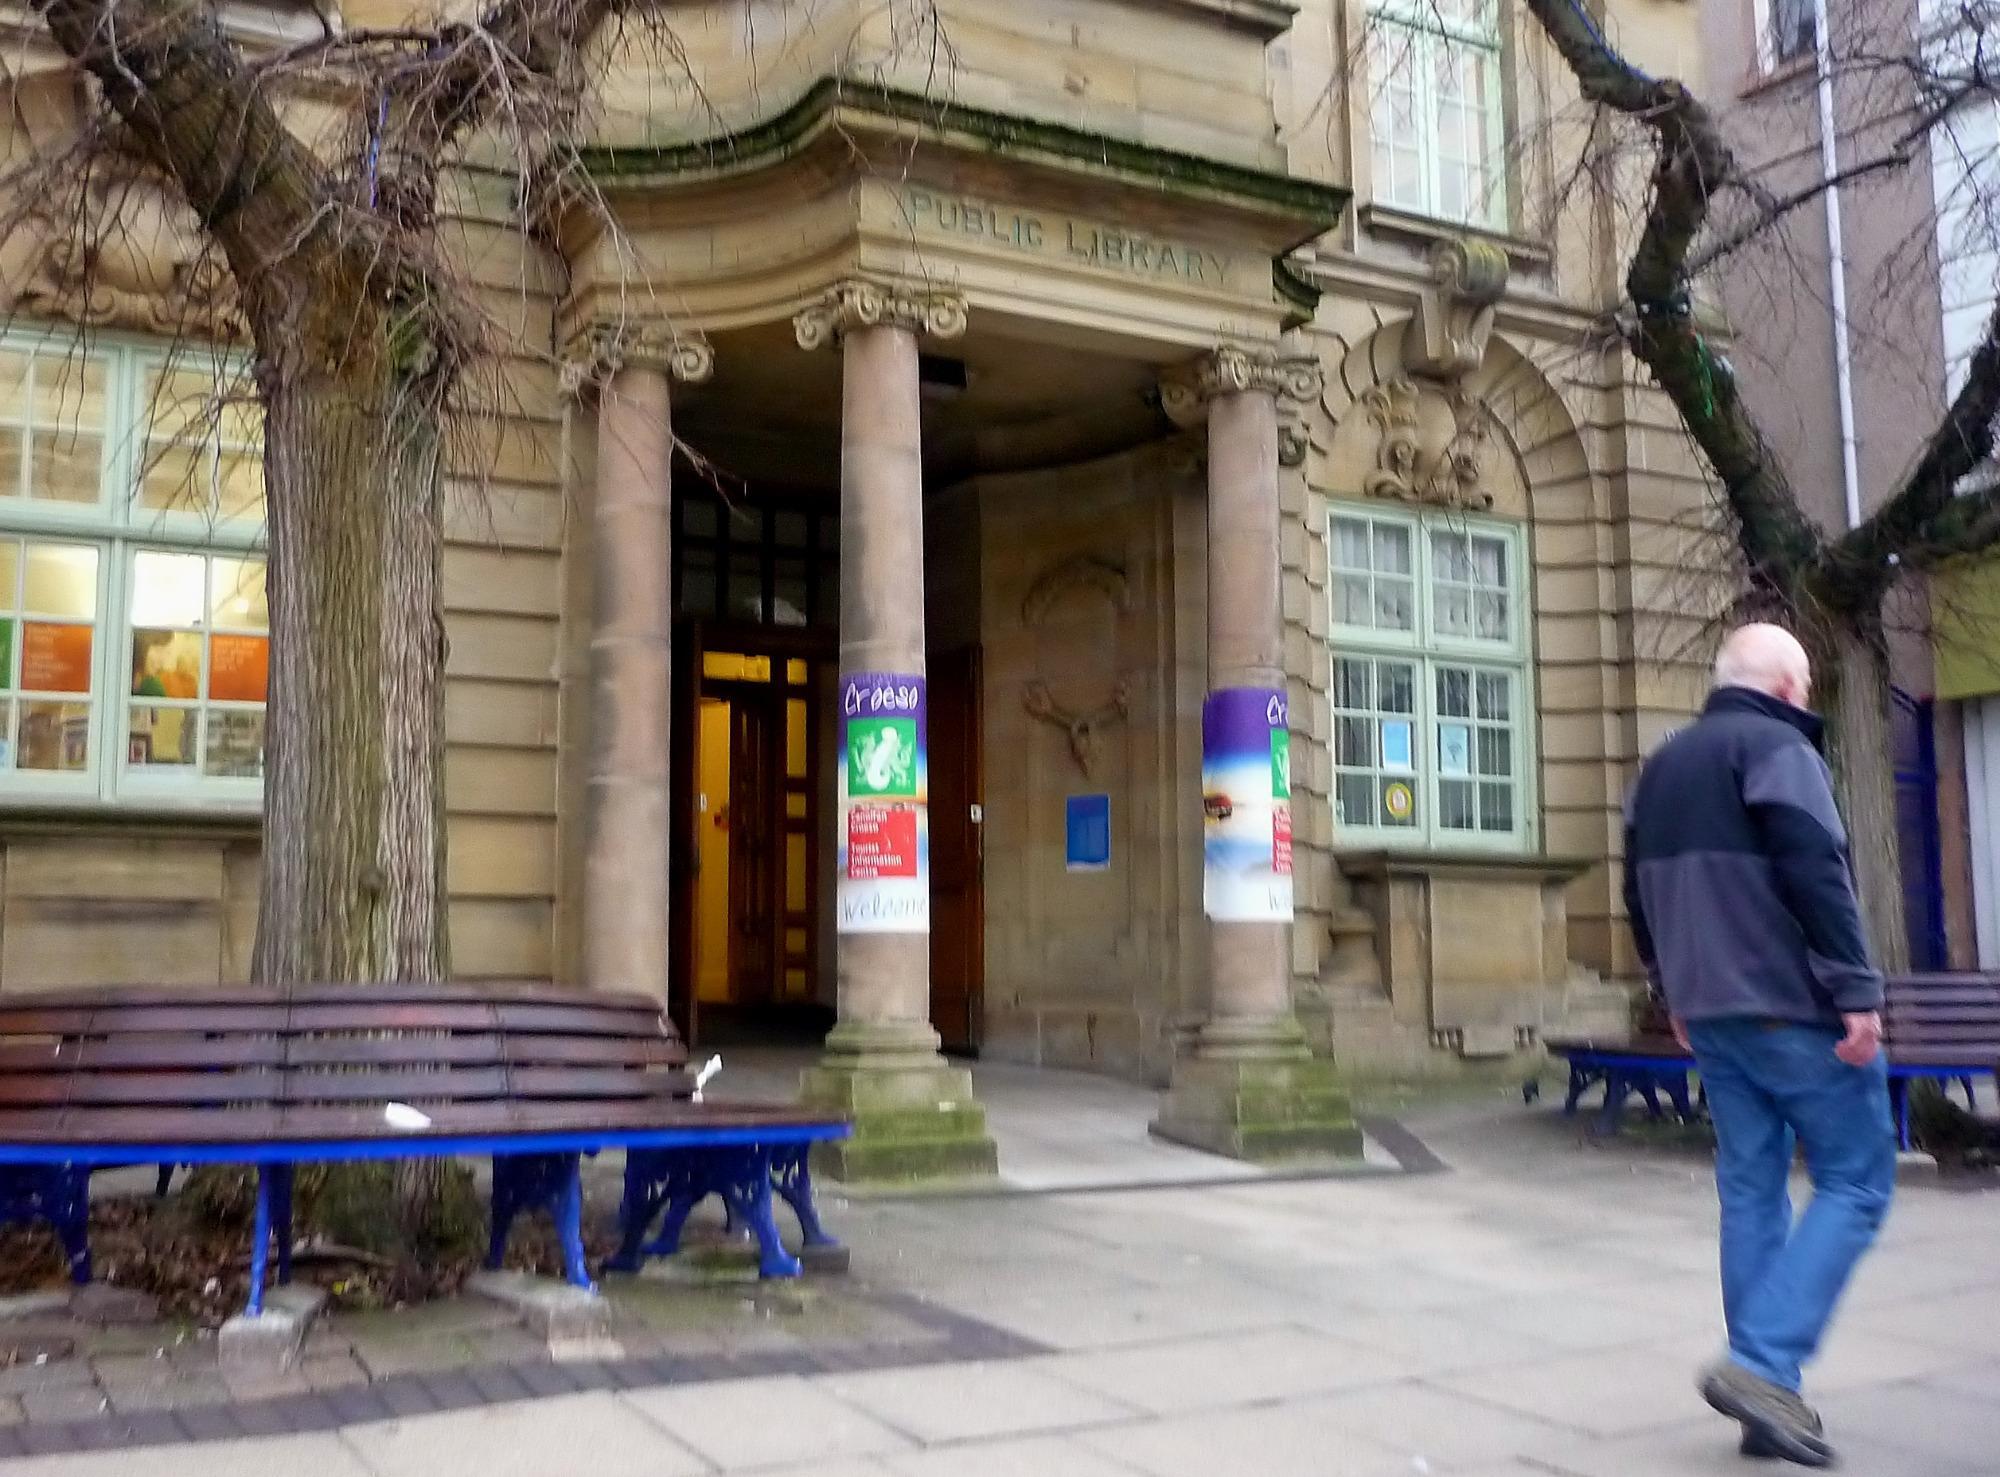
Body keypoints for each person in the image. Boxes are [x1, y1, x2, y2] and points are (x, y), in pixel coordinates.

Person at [1623, 623, 1895, 1468]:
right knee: (1857, 1177)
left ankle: (1761, 1398)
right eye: (1804, 685)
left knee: (1751, 1190)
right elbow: (1817, 868)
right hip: (1790, 1007)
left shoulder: (1661, 766)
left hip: (1709, 1014)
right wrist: (1858, 991)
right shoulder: (1780, 747)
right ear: (1784, 686)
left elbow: (1635, 888)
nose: (1805, 698)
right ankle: (1764, 1364)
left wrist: (1668, 987)